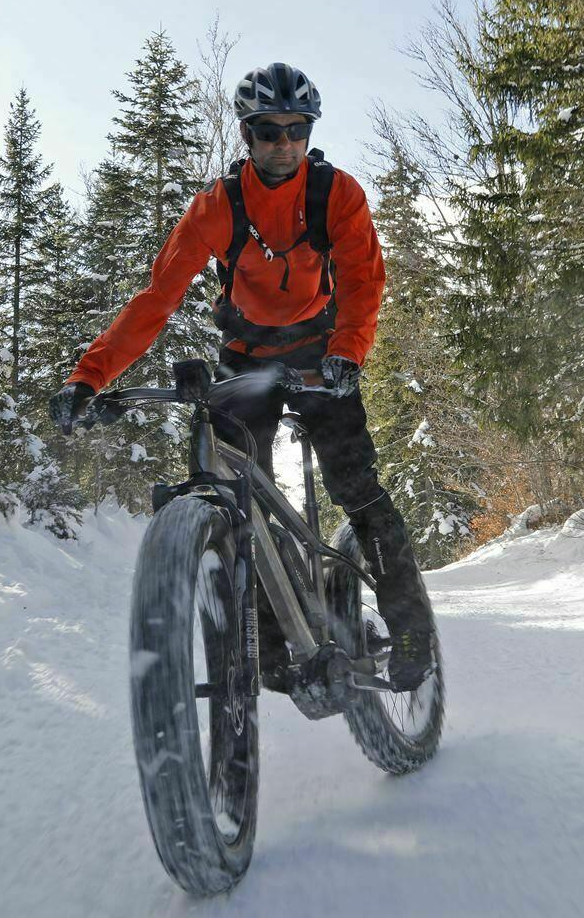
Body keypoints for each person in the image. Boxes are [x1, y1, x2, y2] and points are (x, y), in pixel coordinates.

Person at [48, 62, 435, 692]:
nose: (283, 143)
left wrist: (348, 352)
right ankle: (272, 645)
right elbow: (156, 299)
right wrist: (89, 377)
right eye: (268, 131)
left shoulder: (337, 194)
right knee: (229, 486)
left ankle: (412, 626)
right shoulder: (217, 208)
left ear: (309, 133)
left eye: (296, 130)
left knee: (357, 487)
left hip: (320, 353)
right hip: (245, 357)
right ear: (246, 135)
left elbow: (364, 279)